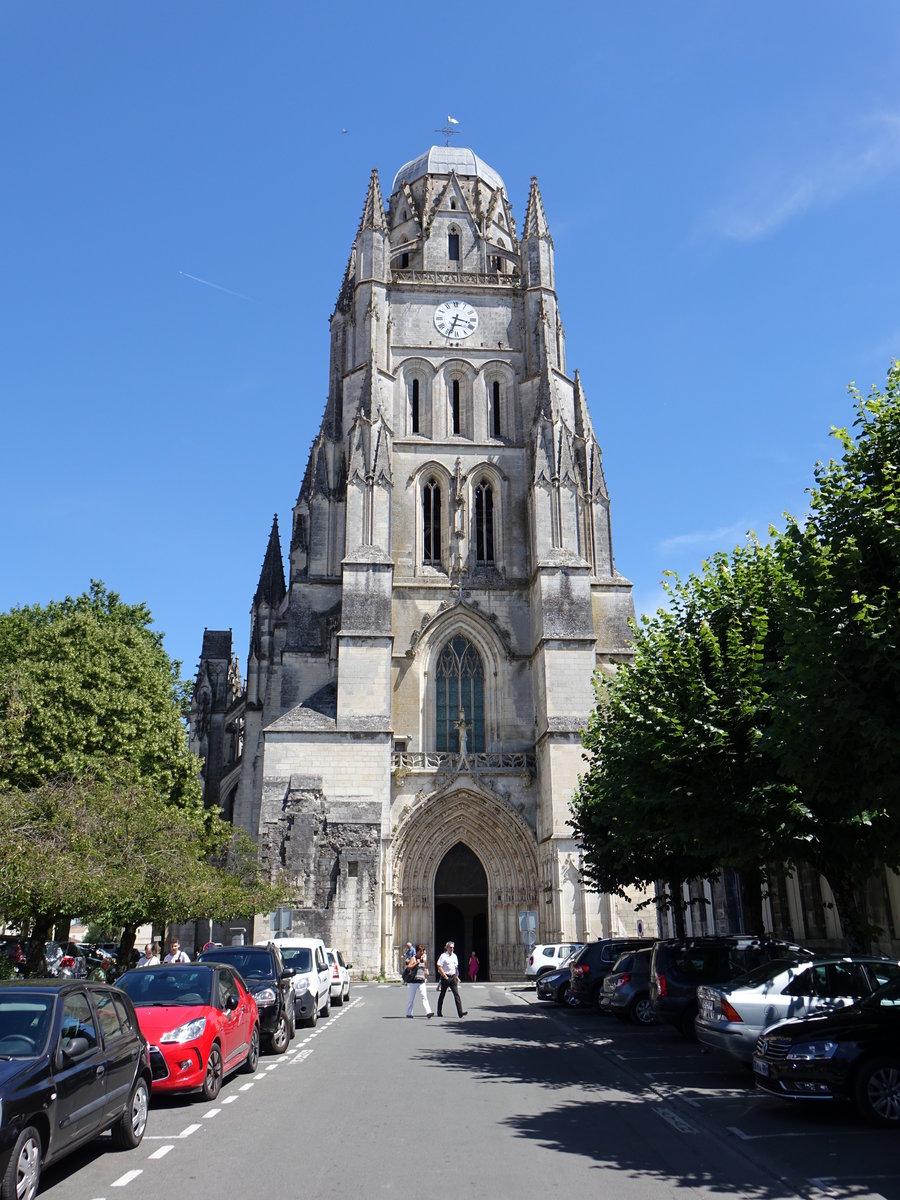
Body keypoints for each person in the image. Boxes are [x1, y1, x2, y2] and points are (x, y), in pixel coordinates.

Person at [436, 941, 467, 1017]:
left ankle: (460, 1012)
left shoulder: (454, 956)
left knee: (456, 995)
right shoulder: (443, 956)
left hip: (453, 977)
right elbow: (439, 966)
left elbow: (455, 967)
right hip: (445, 977)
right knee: (442, 994)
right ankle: (439, 1011)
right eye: (450, 947)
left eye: (453, 947)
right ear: (447, 948)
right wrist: (444, 976)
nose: (452, 949)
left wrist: (456, 976)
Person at [405, 944, 434, 1018]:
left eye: (423, 951)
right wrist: (416, 963)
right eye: (421, 951)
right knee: (411, 998)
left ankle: (428, 1012)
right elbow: (409, 967)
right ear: (417, 951)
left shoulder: (423, 959)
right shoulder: (413, 959)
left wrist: (425, 977)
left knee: (424, 997)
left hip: (421, 981)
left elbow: (423, 968)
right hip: (413, 981)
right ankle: (409, 1013)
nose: (422, 953)